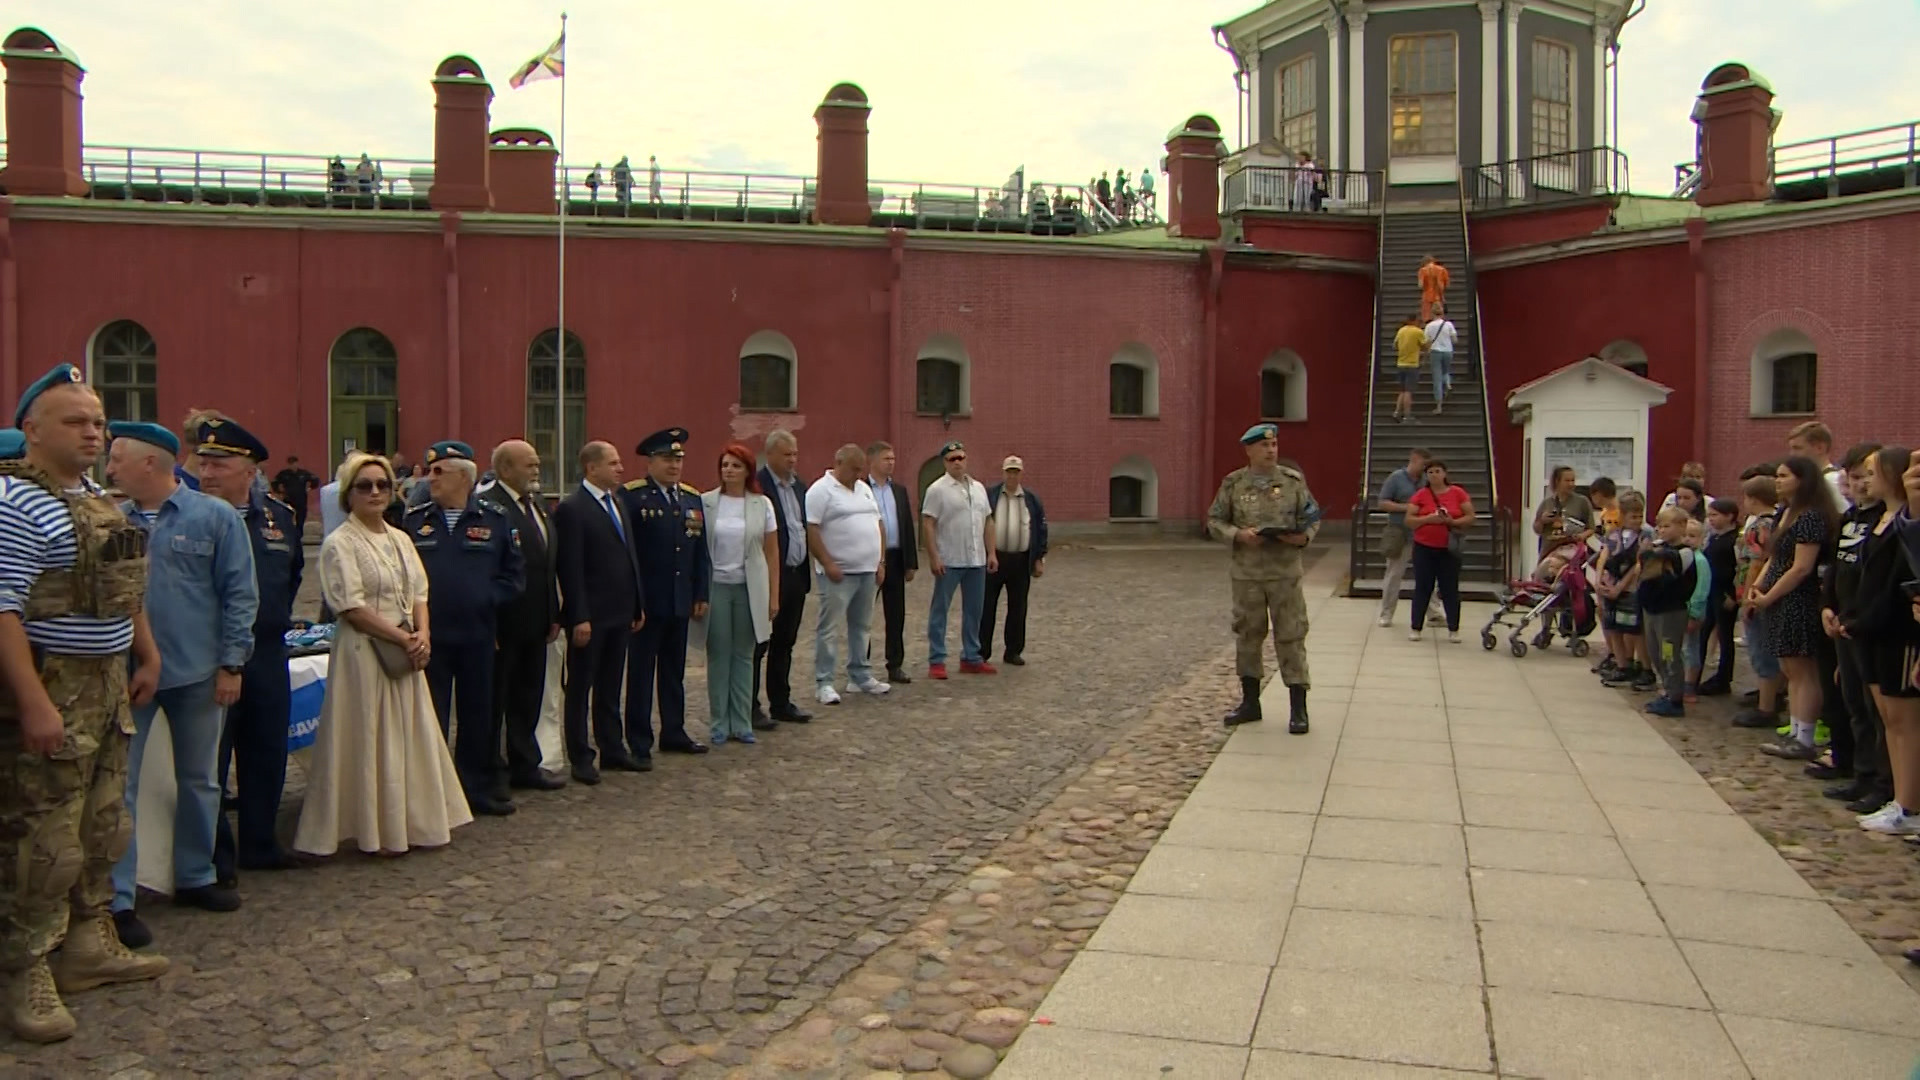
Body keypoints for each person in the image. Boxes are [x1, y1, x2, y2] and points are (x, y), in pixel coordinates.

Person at [0, 365, 168, 1042]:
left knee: (103, 825)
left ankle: (88, 943)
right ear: (32, 430)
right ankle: (26, 969)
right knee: (44, 841)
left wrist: (146, 650)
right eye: (76, 421)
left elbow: (126, 587)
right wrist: (34, 702)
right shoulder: (13, 502)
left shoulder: (101, 499)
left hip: (108, 684)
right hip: (53, 685)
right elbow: (3, 610)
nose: (94, 432)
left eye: (98, 421)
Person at [107, 419, 258, 940]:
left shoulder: (213, 517)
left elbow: (240, 594)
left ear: (148, 463)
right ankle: (118, 899)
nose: (108, 469)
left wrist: (232, 664)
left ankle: (197, 875)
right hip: (127, 676)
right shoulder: (112, 519)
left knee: (200, 781)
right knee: (120, 787)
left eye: (116, 459)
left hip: (198, 672)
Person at [293, 452, 471, 855]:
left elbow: (420, 592)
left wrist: (422, 632)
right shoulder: (340, 544)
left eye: (382, 485)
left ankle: (412, 820)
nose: (375, 492)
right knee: (370, 737)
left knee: (409, 735)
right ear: (348, 495)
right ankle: (373, 827)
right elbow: (351, 607)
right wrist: (402, 638)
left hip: (406, 648)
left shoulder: (401, 537)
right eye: (364, 486)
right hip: (364, 652)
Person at [193, 419, 310, 895]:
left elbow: (293, 574)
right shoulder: (189, 516)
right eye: (203, 462)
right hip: (210, 653)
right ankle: (214, 857)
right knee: (211, 762)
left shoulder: (278, 518)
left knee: (266, 750)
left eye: (219, 464)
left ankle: (261, 842)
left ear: (249, 470)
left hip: (267, 651)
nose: (207, 472)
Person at [403, 441, 524, 815]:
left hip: (477, 635)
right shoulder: (414, 520)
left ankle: (475, 789)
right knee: (430, 717)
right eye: (429, 470)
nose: (429, 478)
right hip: (430, 639)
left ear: (464, 477)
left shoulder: (496, 519)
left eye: (439, 471)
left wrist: (484, 599)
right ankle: (432, 793)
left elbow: (514, 577)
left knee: (478, 716)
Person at [1207, 422, 1321, 733]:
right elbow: (1215, 520)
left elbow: (1312, 517)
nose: (1271, 450)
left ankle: (1298, 708)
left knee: (1291, 636)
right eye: (1264, 446)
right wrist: (1238, 535)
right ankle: (1250, 703)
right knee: (1248, 635)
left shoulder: (1292, 482)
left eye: (1273, 446)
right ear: (1249, 450)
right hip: (1248, 574)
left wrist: (1302, 538)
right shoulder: (1234, 484)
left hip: (1284, 573)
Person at [551, 441, 647, 783]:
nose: (621, 468)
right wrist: (578, 616)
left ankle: (612, 748)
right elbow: (571, 567)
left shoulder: (617, 503)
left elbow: (629, 558)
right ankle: (580, 756)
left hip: (620, 613)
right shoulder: (573, 509)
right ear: (592, 468)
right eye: (614, 462)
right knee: (580, 688)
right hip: (590, 617)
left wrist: (637, 604)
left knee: (610, 685)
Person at [477, 440, 564, 791]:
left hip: (536, 619)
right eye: (529, 465)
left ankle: (525, 763)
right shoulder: (488, 508)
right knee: (497, 699)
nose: (536, 470)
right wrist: (491, 622)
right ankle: (492, 769)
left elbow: (546, 565)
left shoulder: (537, 504)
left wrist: (553, 613)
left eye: (537, 464)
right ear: (506, 469)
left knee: (528, 695)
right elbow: (486, 570)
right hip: (505, 623)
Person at [623, 428, 711, 759]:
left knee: (674, 671)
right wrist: (633, 600)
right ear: (651, 462)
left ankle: (674, 731)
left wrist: (699, 591)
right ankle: (639, 739)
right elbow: (628, 555)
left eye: (678, 460)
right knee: (642, 674)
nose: (673, 466)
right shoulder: (633, 497)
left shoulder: (690, 498)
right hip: (648, 601)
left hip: (679, 599)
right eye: (666, 460)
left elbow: (698, 550)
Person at [1747, 456, 1842, 761]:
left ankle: (1804, 735)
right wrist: (1758, 587)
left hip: (1798, 598)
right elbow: (1775, 558)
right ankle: (1796, 727)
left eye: (1784, 476)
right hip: (1777, 596)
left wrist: (1770, 595)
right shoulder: (1785, 513)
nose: (1778, 481)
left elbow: (1801, 567)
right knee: (1788, 668)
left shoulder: (1811, 516)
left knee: (1802, 670)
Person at [1851, 447, 1920, 832]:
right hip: (1869, 629)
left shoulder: (1906, 524)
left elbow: (1897, 582)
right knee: (1888, 719)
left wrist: (1868, 619)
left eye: (1873, 472)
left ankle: (1910, 805)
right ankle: (1899, 797)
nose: (1865, 480)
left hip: (1897, 629)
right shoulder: (1879, 519)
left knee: (1905, 720)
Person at [1824, 445, 1889, 805]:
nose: (1859, 483)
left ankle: (1883, 781)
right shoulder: (1850, 519)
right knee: (1853, 701)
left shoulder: (1886, 519)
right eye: (1853, 476)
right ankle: (1861, 773)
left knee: (1873, 706)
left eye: (1866, 475)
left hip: (1866, 624)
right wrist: (1828, 606)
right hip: (1842, 620)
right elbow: (1837, 567)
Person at [701, 445, 779, 745]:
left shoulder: (762, 505)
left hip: (750, 587)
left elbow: (772, 553)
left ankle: (742, 721)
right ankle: (719, 721)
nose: (729, 471)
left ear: (747, 471)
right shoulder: (707, 502)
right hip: (717, 585)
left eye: (735, 466)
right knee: (719, 654)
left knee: (745, 655)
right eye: (725, 465)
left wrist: (773, 596)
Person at [805, 445, 889, 704]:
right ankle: (824, 681)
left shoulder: (864, 489)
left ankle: (860, 674)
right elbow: (812, 529)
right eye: (854, 468)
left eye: (860, 469)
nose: (858, 473)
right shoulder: (820, 490)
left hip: (867, 571)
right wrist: (827, 562)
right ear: (838, 462)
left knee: (862, 626)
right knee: (829, 628)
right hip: (838, 573)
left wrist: (881, 560)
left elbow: (878, 524)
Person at [922, 440, 998, 680]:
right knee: (940, 610)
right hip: (950, 558)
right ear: (945, 462)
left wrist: (992, 552)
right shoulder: (937, 489)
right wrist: (934, 556)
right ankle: (937, 659)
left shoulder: (978, 488)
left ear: (967, 460)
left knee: (974, 610)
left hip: (976, 559)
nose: (957, 462)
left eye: (961, 458)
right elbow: (928, 523)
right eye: (952, 459)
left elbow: (988, 521)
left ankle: (971, 656)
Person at [755, 431, 813, 726]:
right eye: (787, 454)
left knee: (785, 642)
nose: (793, 459)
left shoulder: (799, 486)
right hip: (767, 576)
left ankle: (781, 701)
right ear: (771, 455)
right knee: (759, 644)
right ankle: (751, 706)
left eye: (795, 454)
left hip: (795, 575)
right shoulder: (757, 486)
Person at [1637, 507, 1711, 718]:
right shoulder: (1659, 547)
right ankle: (1667, 690)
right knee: (1654, 652)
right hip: (1652, 609)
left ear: (1681, 526)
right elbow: (1645, 564)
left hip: (1671, 612)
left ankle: (1675, 697)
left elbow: (1671, 565)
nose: (1661, 530)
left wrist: (1654, 554)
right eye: (1659, 526)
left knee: (1669, 653)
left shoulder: (1686, 552)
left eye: (1667, 526)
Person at [982, 455, 1047, 666]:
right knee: (986, 606)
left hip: (1021, 559)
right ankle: (982, 650)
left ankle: (1013, 650)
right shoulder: (991, 495)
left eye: (1016, 472)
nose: (1012, 476)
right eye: (1009, 471)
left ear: (1021, 474)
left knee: (1018, 607)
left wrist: (1039, 558)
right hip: (994, 558)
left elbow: (1040, 528)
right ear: (1003, 473)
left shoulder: (1031, 499)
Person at [1405, 458, 1474, 643]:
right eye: (1430, 472)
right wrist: (1427, 519)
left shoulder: (1458, 493)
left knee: (1450, 589)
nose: (1435, 475)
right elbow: (1409, 520)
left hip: (1449, 548)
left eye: (1438, 471)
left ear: (1445, 473)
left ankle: (1453, 628)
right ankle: (1416, 627)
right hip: (1424, 547)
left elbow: (1470, 516)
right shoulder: (1421, 495)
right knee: (1423, 587)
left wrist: (1451, 522)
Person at [866, 442, 918, 684]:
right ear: (873, 460)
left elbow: (906, 525)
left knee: (896, 615)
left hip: (896, 558)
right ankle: (861, 664)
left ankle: (895, 664)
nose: (891, 462)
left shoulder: (898, 490)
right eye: (887, 458)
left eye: (893, 458)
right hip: (868, 559)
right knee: (864, 614)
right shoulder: (861, 489)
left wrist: (910, 562)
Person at [1376, 448, 1444, 629]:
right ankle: (1386, 613)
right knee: (1394, 574)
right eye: (1422, 464)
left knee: (1428, 574)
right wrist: (1407, 508)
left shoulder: (1426, 481)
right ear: (1413, 460)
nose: (1425, 468)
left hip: (1423, 533)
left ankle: (1434, 614)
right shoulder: (1396, 478)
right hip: (1400, 532)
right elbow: (1382, 502)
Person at [1422, 303, 1457, 415]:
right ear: (1442, 312)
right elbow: (1455, 339)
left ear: (1432, 313)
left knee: (1437, 377)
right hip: (1448, 351)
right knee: (1446, 371)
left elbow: (1426, 342)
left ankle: (1439, 406)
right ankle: (1448, 384)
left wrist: (1425, 354)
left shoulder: (1429, 326)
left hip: (1435, 352)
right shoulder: (1449, 324)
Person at [272, 456, 319, 538]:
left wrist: (310, 488)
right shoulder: (284, 474)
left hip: (301, 499)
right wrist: (279, 492)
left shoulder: (303, 474)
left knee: (301, 518)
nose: (293, 466)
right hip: (288, 499)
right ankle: (288, 534)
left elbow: (315, 480)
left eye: (294, 463)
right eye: (291, 464)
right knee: (287, 517)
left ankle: (299, 535)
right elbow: (275, 482)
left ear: (297, 463)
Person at [1391, 313, 1424, 423]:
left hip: (1401, 363)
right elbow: (1425, 345)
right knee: (1408, 391)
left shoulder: (1401, 331)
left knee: (1402, 390)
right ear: (1415, 320)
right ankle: (1407, 415)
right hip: (1412, 364)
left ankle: (1396, 412)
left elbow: (1394, 345)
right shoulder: (1418, 332)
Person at [1417, 254, 1449, 323]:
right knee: (1439, 316)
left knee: (1427, 318)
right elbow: (1446, 284)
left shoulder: (1422, 270)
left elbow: (1421, 285)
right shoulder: (1442, 270)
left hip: (1427, 296)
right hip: (1439, 296)